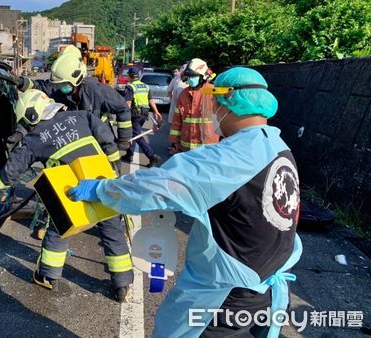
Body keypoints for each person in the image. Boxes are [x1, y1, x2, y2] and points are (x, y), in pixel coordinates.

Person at [68, 67, 302, 337]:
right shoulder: (277, 145)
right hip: (265, 290)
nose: (212, 108)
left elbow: (153, 187)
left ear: (229, 100)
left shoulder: (229, 158)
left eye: (215, 100)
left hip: (223, 299)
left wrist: (101, 189)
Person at [0, 89, 134, 302]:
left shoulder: (34, 138)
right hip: (101, 182)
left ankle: (48, 276)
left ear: (32, 115)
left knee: (59, 229)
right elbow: (107, 140)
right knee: (112, 229)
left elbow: (12, 170)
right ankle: (122, 284)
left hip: (68, 193)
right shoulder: (81, 116)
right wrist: (114, 168)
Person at [15, 46, 133, 151]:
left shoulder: (97, 91)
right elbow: (40, 87)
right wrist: (20, 82)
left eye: (63, 84)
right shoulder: (60, 91)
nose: (61, 88)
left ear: (75, 80)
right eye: (59, 85)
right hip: (78, 144)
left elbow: (122, 108)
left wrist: (124, 139)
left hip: (101, 143)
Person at [169, 58, 219, 154]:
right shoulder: (184, 94)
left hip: (208, 147)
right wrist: (174, 141)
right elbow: (177, 120)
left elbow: (223, 119)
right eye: (189, 76)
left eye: (193, 76)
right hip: (186, 147)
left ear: (203, 76)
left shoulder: (213, 92)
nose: (190, 79)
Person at [121, 67, 163, 167]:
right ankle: (129, 154)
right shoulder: (145, 86)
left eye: (128, 75)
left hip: (135, 114)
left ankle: (152, 156)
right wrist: (156, 112)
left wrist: (123, 114)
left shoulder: (130, 87)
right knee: (134, 134)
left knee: (137, 136)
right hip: (144, 114)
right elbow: (151, 100)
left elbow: (128, 103)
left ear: (131, 76)